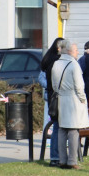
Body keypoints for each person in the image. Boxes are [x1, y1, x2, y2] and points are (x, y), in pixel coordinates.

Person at [51, 39, 88, 169]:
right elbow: (79, 85)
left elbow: (54, 84)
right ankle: (72, 161)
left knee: (62, 129)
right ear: (69, 50)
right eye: (75, 49)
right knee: (73, 130)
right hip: (73, 99)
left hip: (61, 98)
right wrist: (83, 99)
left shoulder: (56, 64)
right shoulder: (73, 64)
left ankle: (62, 160)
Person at [39, 37, 64, 166]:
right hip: (55, 96)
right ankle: (55, 155)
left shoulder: (48, 60)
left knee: (54, 125)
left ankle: (56, 154)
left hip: (51, 95)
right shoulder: (56, 62)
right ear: (59, 48)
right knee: (56, 125)